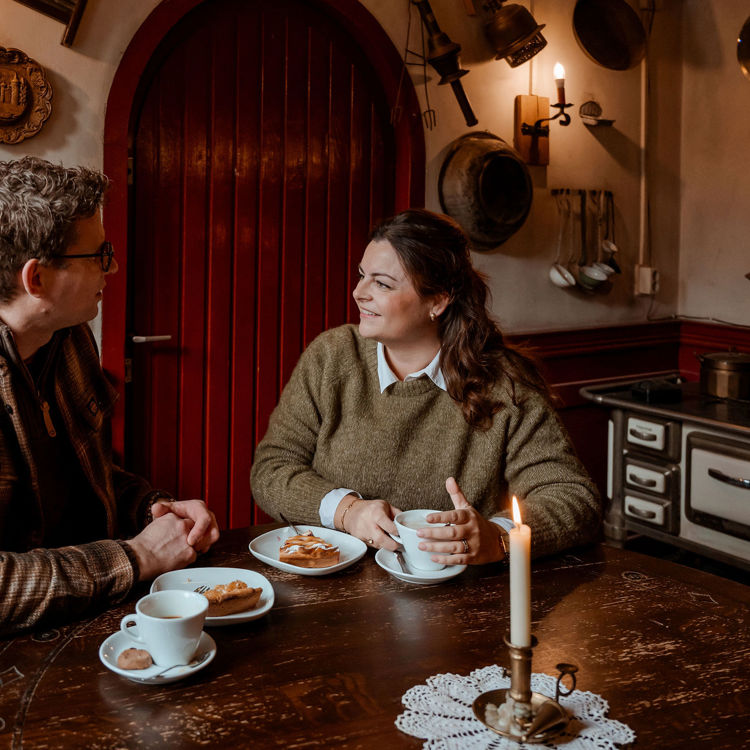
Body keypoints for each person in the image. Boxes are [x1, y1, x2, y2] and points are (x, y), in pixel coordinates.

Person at [251, 208, 601, 565]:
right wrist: (347, 511)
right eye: (361, 276)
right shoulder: (331, 357)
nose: (358, 293)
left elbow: (573, 498)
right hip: (329, 585)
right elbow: (272, 467)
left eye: (382, 283)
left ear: (438, 300)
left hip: (460, 604)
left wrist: (497, 537)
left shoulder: (503, 384)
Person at [0, 156, 219, 635]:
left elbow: (84, 472)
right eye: (99, 255)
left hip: (91, 618)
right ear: (36, 279)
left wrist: (151, 508)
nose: (114, 266)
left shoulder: (69, 336)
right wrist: (135, 557)